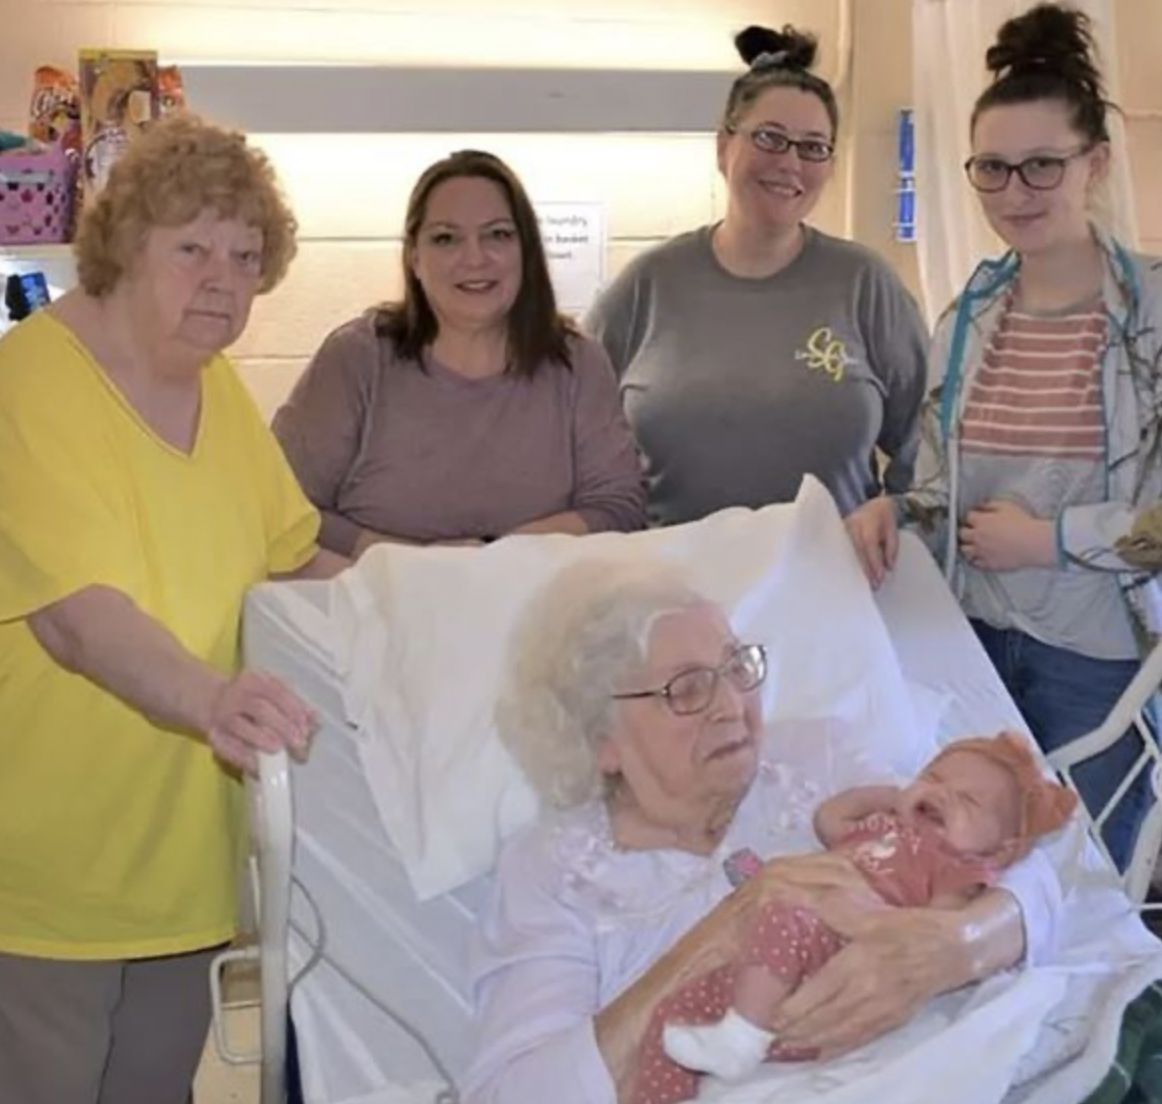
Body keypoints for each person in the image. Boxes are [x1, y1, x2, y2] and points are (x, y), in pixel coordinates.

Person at [0, 115, 346, 1104]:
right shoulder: (30, 383)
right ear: (123, 245)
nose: (223, 279)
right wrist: (212, 699)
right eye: (191, 247)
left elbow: (298, 555)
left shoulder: (217, 387)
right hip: (45, 884)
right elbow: (75, 615)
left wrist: (425, 588)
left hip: (182, 876)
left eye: (245, 256)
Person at [460, 562, 1063, 1104]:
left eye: (736, 667)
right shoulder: (552, 872)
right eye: (688, 689)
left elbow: (1016, 856)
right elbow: (511, 1093)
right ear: (603, 740)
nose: (731, 704)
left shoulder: (818, 757)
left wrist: (958, 944)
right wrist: (728, 927)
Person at [845, 3, 1162, 871]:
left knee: (1090, 881)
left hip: (1096, 657)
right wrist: (896, 510)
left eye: (1041, 167)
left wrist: (1048, 540)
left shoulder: (1152, 321)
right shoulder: (968, 318)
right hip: (971, 640)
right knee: (969, 878)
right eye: (992, 169)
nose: (1015, 194)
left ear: (1095, 164)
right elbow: (949, 491)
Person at [583, 24, 927, 526]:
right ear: (724, 147)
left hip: (832, 589)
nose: (790, 163)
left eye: (813, 147)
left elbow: (928, 446)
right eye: (769, 138)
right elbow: (574, 447)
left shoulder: (866, 286)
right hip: (674, 591)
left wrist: (895, 520)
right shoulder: (643, 288)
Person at [641, 733, 1077, 1104]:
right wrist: (896, 796)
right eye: (934, 778)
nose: (940, 794)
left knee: (781, 914)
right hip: (782, 949)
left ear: (1000, 848)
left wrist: (861, 915)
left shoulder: (956, 867)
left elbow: (925, 933)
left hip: (836, 954)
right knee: (674, 1014)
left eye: (966, 800)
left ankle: (742, 1037)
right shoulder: (882, 826)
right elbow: (829, 818)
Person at [273, 149, 647, 555]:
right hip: (381, 609)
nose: (474, 258)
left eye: (498, 235)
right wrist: (411, 563)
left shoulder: (578, 363)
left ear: (527, 250)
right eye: (446, 238)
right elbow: (281, 506)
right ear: (414, 257)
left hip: (542, 611)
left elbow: (620, 508)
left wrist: (495, 557)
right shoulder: (355, 359)